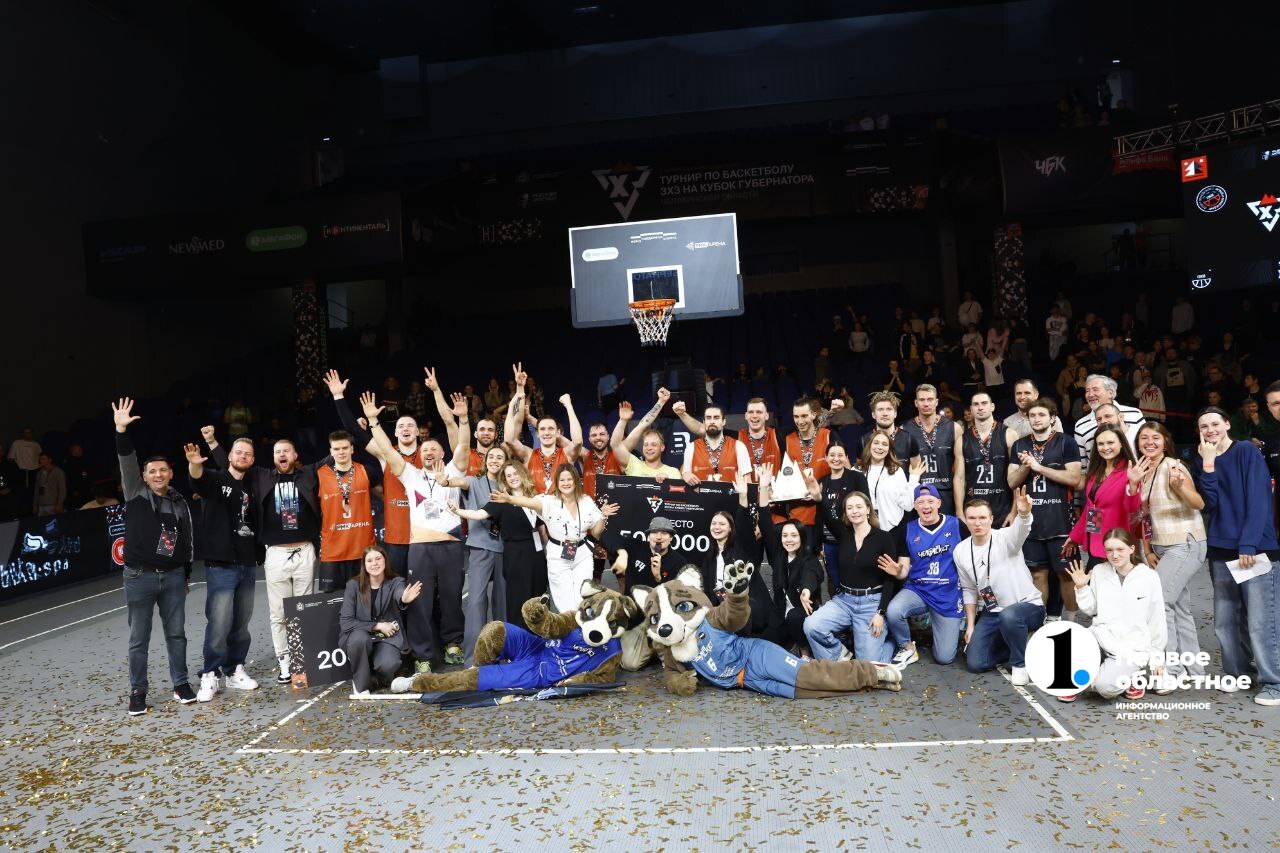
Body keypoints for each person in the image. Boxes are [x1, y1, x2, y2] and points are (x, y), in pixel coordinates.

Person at [365, 391, 470, 673]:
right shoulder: (410, 475)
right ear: (419, 456)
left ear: (442, 453)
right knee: (420, 601)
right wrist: (374, 422)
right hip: (421, 548)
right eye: (425, 451)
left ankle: (452, 644)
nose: (429, 453)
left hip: (450, 545)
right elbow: (387, 450)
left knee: (451, 597)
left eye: (434, 449)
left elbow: (463, 445)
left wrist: (463, 419)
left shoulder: (453, 470)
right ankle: (423, 655)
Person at [112, 398, 197, 715]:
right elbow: (126, 459)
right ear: (144, 476)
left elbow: (186, 541)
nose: (158, 474)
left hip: (173, 577)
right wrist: (122, 431)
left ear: (171, 473)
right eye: (152, 471)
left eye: (163, 470)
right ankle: (138, 691)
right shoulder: (135, 492)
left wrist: (185, 574)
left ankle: (180, 684)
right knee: (139, 638)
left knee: (177, 634)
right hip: (139, 577)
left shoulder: (179, 501)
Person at [1195, 407, 1280, 707]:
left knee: (1261, 620)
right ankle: (1238, 673)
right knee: (1226, 620)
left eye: (1215, 423)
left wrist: (1248, 545)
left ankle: (1274, 682)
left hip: (1254, 548)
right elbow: (1210, 503)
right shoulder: (1204, 458)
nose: (1210, 430)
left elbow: (1259, 499)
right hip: (1221, 549)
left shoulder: (1246, 451)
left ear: (1228, 424)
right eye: (1203, 426)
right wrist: (1208, 465)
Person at [185, 433, 260, 702]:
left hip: (247, 564)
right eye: (238, 452)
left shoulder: (253, 484)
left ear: (252, 460)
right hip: (221, 565)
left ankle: (234, 669)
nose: (242, 456)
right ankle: (210, 673)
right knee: (218, 623)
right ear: (229, 456)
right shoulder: (216, 480)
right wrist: (194, 464)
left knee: (241, 623)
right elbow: (198, 479)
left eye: (247, 454)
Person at [323, 369, 422, 575]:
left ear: (418, 431)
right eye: (401, 426)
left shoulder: (429, 454)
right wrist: (338, 396)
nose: (405, 429)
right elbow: (353, 429)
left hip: (425, 535)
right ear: (395, 432)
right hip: (396, 538)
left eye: (410, 425)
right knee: (396, 588)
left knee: (426, 588)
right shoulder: (387, 455)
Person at [1132, 421, 1206, 691]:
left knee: (1160, 603)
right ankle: (1195, 669)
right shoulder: (1143, 470)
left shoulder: (1173, 466)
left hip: (1184, 543)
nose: (1149, 442)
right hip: (1161, 546)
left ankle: (1170, 671)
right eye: (1144, 438)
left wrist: (1181, 487)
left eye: (1155, 437)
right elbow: (1143, 516)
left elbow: (1198, 503)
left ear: (1165, 441)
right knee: (1178, 607)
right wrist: (1148, 549)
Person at [491, 464, 617, 612]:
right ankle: (570, 625)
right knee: (565, 602)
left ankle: (580, 624)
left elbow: (596, 533)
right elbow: (529, 502)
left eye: (569, 479)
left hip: (582, 554)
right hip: (558, 554)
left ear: (576, 481)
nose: (566, 483)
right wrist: (510, 499)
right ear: (557, 482)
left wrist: (603, 516)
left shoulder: (586, 501)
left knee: (582, 597)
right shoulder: (548, 501)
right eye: (562, 480)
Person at [1061, 529, 1166, 702]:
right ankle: (1079, 679)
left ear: (1132, 549)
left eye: (1120, 549)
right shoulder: (1099, 571)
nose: (1114, 555)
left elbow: (1157, 619)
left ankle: (1131, 676)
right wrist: (1081, 587)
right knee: (1068, 642)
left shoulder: (1149, 577)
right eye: (1109, 550)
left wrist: (1156, 657)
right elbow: (1091, 609)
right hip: (1101, 637)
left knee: (1104, 687)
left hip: (1130, 649)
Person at [803, 483, 898, 663]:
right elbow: (827, 516)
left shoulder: (884, 538)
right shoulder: (843, 534)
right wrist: (818, 498)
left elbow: (890, 579)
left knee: (868, 665)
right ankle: (840, 657)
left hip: (871, 603)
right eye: (850, 508)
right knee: (811, 626)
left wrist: (881, 613)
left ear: (868, 509)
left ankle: (891, 642)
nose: (855, 511)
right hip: (844, 601)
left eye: (859, 506)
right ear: (845, 513)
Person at [956, 490, 1044, 684]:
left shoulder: (1006, 538)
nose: (977, 523)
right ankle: (1018, 643)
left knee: (1010, 616)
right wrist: (970, 626)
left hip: (1026, 607)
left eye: (982, 518)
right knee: (975, 663)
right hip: (993, 610)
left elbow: (1022, 529)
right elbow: (969, 589)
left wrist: (1024, 514)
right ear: (965, 521)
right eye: (972, 518)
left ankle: (1020, 664)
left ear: (991, 519)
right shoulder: (960, 551)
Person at [1007, 399, 1081, 622]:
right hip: (1032, 522)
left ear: (1052, 418)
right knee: (1038, 573)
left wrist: (1039, 467)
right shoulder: (1019, 445)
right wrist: (1026, 466)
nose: (1036, 419)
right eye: (1032, 415)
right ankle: (1041, 623)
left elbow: (1075, 479)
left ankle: (1071, 623)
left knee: (1066, 574)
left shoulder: (1066, 442)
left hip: (1061, 521)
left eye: (1041, 415)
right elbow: (1012, 482)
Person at [452, 461, 548, 628]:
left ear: (522, 474)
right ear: (504, 480)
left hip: (536, 555)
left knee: (539, 595)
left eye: (515, 473)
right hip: (515, 555)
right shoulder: (501, 500)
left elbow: (541, 530)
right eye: (508, 475)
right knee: (518, 598)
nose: (513, 478)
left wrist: (548, 555)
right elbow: (478, 514)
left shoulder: (534, 498)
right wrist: (457, 511)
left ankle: (539, 637)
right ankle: (519, 638)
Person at [879, 483, 965, 668]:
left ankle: (943, 624)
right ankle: (907, 647)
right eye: (920, 502)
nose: (926, 506)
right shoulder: (908, 529)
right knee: (894, 611)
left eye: (930, 501)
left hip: (948, 593)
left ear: (939, 503)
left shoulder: (956, 525)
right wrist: (898, 572)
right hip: (919, 590)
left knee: (944, 658)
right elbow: (904, 570)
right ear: (915, 506)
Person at [757, 464, 824, 656]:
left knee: (795, 617)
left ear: (802, 538)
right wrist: (763, 487)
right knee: (764, 643)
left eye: (794, 536)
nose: (789, 540)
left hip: (803, 613)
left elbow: (812, 575)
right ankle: (789, 641)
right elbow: (765, 520)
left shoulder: (809, 559)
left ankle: (805, 651)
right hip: (781, 615)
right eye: (785, 536)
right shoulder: (778, 555)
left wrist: (806, 591)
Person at [339, 545, 424, 696]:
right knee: (359, 639)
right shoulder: (353, 585)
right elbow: (346, 622)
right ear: (364, 565)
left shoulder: (396, 581)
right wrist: (377, 625)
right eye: (369, 560)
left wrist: (404, 598)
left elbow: (400, 592)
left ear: (385, 561)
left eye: (378, 558)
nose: (374, 563)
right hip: (361, 635)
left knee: (389, 664)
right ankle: (361, 685)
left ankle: (374, 680)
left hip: (386, 638)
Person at [1067, 425, 1140, 573]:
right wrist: (1075, 536)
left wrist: (1133, 485)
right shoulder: (1096, 471)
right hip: (1095, 541)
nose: (1105, 447)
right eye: (1100, 444)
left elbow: (1132, 508)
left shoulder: (1130, 471)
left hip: (1115, 545)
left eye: (1110, 442)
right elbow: (1091, 507)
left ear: (1121, 443)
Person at [314, 429, 376, 593]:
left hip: (362, 549)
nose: (341, 452)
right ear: (331, 451)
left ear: (352, 449)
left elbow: (384, 495)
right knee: (332, 602)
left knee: (365, 598)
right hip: (333, 550)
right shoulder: (319, 475)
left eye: (345, 448)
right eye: (336, 449)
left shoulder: (367, 471)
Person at [503, 362, 579, 494]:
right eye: (542, 429)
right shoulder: (529, 455)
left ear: (558, 433)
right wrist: (519, 389)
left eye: (551, 429)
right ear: (537, 433)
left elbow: (578, 441)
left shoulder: (567, 454)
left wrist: (569, 406)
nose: (547, 432)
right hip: (535, 506)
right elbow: (509, 439)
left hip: (563, 506)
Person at [901, 384, 964, 516]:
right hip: (917, 494)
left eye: (930, 399)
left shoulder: (954, 428)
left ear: (936, 402)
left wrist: (960, 509)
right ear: (916, 403)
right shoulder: (904, 430)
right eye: (922, 400)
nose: (926, 403)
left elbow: (961, 472)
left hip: (946, 494)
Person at [957, 391, 1013, 526]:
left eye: (984, 403)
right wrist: (959, 511)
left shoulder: (1009, 434)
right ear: (971, 409)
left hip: (1003, 508)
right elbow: (959, 478)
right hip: (973, 510)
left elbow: (1017, 477)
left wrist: (1014, 511)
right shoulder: (962, 439)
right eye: (976, 404)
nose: (980, 407)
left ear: (992, 406)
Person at [814, 443, 870, 570]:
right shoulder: (822, 481)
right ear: (826, 457)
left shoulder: (856, 477)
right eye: (832, 455)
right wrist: (819, 542)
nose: (836, 459)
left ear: (846, 458)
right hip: (829, 541)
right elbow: (819, 514)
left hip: (853, 539)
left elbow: (867, 507)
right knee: (834, 578)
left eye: (840, 455)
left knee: (852, 574)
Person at [855, 430, 924, 531]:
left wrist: (913, 479)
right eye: (876, 443)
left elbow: (908, 505)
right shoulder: (856, 471)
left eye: (884, 444)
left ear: (889, 449)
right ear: (869, 446)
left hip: (892, 531)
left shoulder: (897, 471)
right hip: (861, 529)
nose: (880, 447)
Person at [1072, 375, 1145, 466]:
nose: (1090, 395)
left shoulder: (1135, 414)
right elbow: (1082, 465)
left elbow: (1145, 447)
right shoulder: (1080, 425)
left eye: (1095, 389)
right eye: (1087, 391)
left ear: (1110, 393)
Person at [612, 516, 696, 592]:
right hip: (631, 602)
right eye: (655, 532)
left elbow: (675, 595)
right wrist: (622, 554)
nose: (658, 537)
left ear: (671, 537)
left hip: (657, 604)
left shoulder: (679, 562)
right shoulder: (636, 547)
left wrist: (658, 577)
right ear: (649, 535)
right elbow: (609, 536)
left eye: (664, 533)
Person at [611, 391, 682, 481]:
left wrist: (668, 482)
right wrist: (623, 420)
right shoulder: (633, 464)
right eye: (646, 445)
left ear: (662, 447)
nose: (649, 448)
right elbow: (615, 445)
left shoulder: (673, 472)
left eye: (654, 444)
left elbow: (678, 491)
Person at [673, 401, 749, 485]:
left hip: (732, 494)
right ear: (704, 422)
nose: (712, 421)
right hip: (699, 493)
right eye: (708, 418)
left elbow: (748, 482)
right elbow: (685, 479)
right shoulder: (691, 447)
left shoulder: (739, 446)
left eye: (716, 418)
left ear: (723, 421)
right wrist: (685, 474)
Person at [861, 391, 921, 466]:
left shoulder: (909, 439)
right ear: (873, 414)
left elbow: (916, 469)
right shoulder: (864, 441)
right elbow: (860, 470)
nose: (885, 414)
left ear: (895, 414)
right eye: (880, 409)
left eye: (889, 409)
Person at [32, 452, 65, 516]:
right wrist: (35, 505)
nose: (41, 461)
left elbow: (62, 489)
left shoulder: (58, 471)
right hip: (41, 505)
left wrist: (59, 503)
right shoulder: (39, 473)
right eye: (40, 459)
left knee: (55, 522)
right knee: (41, 522)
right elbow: (36, 490)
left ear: (50, 460)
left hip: (53, 504)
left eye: (43, 459)